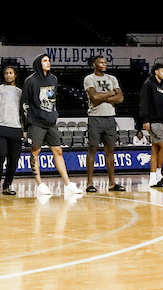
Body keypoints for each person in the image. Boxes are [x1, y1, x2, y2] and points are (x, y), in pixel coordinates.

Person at [22, 53, 79, 197]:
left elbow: (53, 100)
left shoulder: (54, 79)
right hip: (35, 122)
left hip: (51, 122)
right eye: (45, 61)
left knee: (58, 150)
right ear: (38, 63)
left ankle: (67, 184)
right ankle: (39, 184)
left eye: (49, 60)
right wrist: (25, 127)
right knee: (35, 152)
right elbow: (24, 104)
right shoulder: (30, 81)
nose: (48, 63)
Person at [83, 55, 125, 193]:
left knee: (110, 151)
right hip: (95, 118)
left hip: (110, 118)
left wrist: (104, 97)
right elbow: (94, 97)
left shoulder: (112, 78)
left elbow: (120, 98)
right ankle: (89, 183)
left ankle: (112, 183)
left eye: (105, 62)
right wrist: (112, 93)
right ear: (94, 65)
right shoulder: (89, 79)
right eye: (101, 62)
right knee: (92, 149)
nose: (104, 64)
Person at [0, 64, 24, 195]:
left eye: (11, 73)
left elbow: (22, 112)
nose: (8, 75)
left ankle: (7, 185)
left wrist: (23, 128)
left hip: (15, 128)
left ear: (15, 75)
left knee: (14, 160)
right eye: (6, 73)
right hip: (1, 127)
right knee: (0, 156)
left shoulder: (20, 92)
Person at [137, 62, 163, 189]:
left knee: (155, 149)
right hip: (153, 121)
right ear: (156, 71)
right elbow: (144, 102)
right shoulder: (149, 84)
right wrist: (145, 120)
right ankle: (158, 174)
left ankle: (153, 178)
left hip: (161, 122)